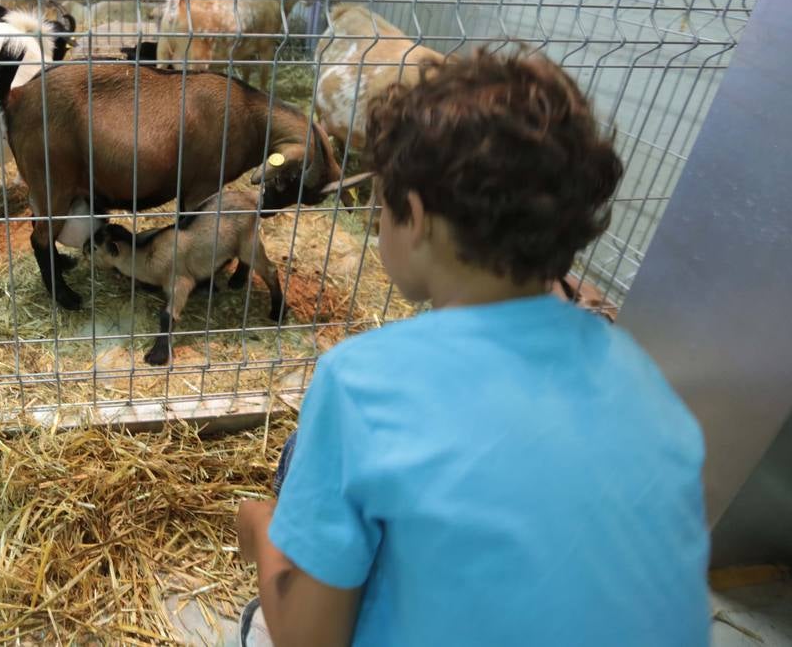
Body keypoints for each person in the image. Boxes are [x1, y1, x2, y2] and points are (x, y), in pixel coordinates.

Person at [235, 49, 710, 647]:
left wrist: (259, 527)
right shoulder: (650, 386)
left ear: (414, 216)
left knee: (261, 618)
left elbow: (310, 640)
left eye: (381, 204)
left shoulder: (362, 382)